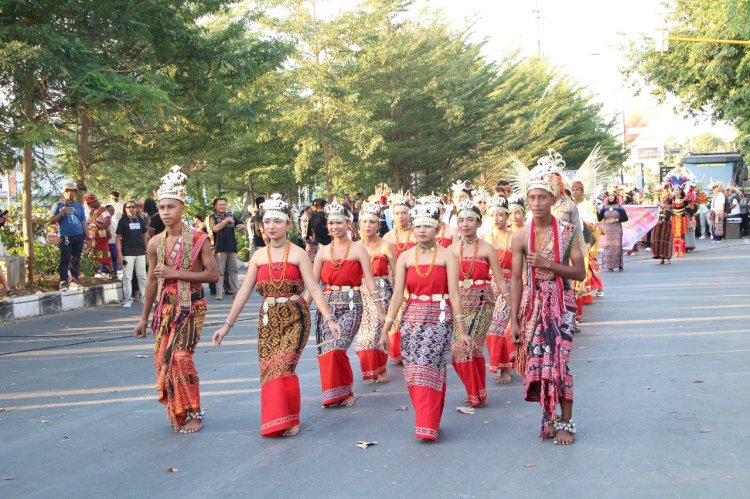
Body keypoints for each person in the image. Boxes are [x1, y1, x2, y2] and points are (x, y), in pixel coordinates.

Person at [213, 195, 343, 437]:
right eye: (268, 222)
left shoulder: (298, 254)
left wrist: (329, 319)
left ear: (288, 225)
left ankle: (290, 418)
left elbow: (314, 288)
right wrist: (226, 325)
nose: (272, 226)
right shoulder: (259, 256)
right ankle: (276, 419)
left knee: (283, 366)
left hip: (296, 315)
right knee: (269, 369)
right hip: (268, 319)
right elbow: (243, 291)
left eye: (277, 221)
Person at [133, 165, 219, 434]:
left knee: (181, 357)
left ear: (182, 208)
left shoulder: (198, 238)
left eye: (171, 206)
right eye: (162, 207)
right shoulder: (154, 243)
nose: (166, 212)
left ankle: (194, 411)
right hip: (164, 309)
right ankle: (178, 410)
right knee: (162, 360)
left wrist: (175, 273)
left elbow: (213, 275)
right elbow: (150, 281)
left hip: (191, 306)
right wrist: (144, 318)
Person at [509, 154, 586, 446]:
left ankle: (566, 423)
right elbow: (517, 279)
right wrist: (514, 319)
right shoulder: (520, 237)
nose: (537, 202)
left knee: (559, 362)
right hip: (532, 303)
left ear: (554, 198)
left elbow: (579, 272)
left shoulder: (567, 233)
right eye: (532, 197)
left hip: (561, 302)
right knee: (539, 363)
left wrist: (548, 263)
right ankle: (549, 419)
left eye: (543, 197)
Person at [378, 203, 471, 441]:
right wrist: (386, 330)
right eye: (417, 226)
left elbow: (455, 294)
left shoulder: (447, 256)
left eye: (427, 226)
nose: (421, 231)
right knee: (414, 371)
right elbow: (398, 294)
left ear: (438, 229)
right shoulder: (405, 258)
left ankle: (428, 424)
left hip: (439, 317)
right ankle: (427, 420)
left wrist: (462, 331)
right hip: (411, 319)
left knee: (430, 367)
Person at [307, 202, 386, 407]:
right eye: (331, 223)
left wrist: (381, 310)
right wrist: (300, 308)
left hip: (351, 304)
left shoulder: (358, 251)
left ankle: (344, 390)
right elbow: (313, 286)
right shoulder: (323, 252)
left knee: (338, 346)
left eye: (339, 222)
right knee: (327, 351)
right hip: (327, 306)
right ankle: (335, 393)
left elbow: (369, 281)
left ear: (348, 223)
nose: (334, 227)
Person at [450, 198, 510, 407]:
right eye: (461, 220)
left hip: (483, 303)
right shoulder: (450, 250)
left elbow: (500, 279)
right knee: (458, 350)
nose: (465, 224)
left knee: (471, 347)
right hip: (457, 304)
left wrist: (513, 304)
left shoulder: (487, 248)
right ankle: (477, 390)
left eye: (470, 220)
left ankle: (476, 393)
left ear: (478, 223)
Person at [354, 201, 396, 383]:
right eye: (364, 222)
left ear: (378, 224)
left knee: (378, 330)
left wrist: (398, 297)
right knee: (363, 335)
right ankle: (371, 368)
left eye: (372, 222)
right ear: (358, 225)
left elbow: (396, 273)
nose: (368, 226)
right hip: (359, 292)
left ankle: (381, 369)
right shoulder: (354, 246)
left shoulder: (386, 246)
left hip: (382, 291)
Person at [483, 196, 515, 383]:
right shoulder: (484, 239)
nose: (496, 218)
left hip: (508, 286)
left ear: (506, 216)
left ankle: (506, 367)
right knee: (490, 329)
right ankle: (505, 364)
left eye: (500, 214)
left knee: (499, 328)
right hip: (487, 288)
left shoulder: (515, 238)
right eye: (493, 214)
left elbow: (522, 267)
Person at [382, 191, 415, 364]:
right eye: (397, 213)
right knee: (395, 314)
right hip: (394, 281)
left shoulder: (418, 234)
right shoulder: (387, 237)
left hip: (415, 278)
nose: (401, 216)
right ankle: (397, 352)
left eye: (404, 212)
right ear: (392, 215)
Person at [48, 183, 88, 291]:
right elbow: (51, 220)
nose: (70, 193)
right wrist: (61, 213)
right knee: (65, 258)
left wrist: (88, 236)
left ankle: (74, 280)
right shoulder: (58, 205)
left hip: (78, 236)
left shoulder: (78, 206)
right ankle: (64, 281)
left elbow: (83, 221)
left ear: (75, 192)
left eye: (72, 190)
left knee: (75, 259)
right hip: (65, 236)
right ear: (64, 192)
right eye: (67, 191)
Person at [209, 197, 245, 300]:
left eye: (224, 204)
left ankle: (235, 292)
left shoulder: (231, 215)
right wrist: (226, 221)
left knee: (233, 270)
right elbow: (215, 229)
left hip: (232, 246)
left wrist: (241, 227)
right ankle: (219, 292)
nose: (222, 206)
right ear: (215, 206)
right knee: (220, 272)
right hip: (220, 247)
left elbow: (241, 225)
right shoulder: (213, 217)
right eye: (220, 205)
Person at [116, 200, 148, 308]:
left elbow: (144, 235)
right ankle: (128, 299)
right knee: (127, 277)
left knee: (142, 276)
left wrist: (146, 249)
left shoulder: (140, 219)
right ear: (125, 209)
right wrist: (119, 253)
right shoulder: (122, 221)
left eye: (133, 207)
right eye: (129, 207)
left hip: (140, 252)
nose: (131, 208)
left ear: (136, 208)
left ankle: (144, 299)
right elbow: (118, 237)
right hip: (127, 252)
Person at [86, 195, 115, 279]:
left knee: (105, 253)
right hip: (94, 236)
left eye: (90, 203)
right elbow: (88, 221)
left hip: (102, 236)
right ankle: (91, 271)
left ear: (95, 201)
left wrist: (98, 225)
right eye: (87, 204)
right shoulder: (91, 211)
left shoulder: (103, 211)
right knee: (91, 253)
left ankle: (112, 272)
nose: (89, 205)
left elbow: (108, 222)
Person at [597, 192, 628, 272]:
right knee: (608, 246)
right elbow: (600, 219)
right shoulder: (604, 207)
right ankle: (609, 265)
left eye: (612, 196)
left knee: (617, 246)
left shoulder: (619, 207)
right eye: (609, 196)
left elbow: (625, 218)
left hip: (616, 229)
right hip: (607, 229)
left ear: (615, 197)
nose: (611, 197)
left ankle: (619, 265)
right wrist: (596, 211)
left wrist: (616, 219)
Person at [651, 195, 674, 264]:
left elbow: (670, 214)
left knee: (666, 241)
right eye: (661, 197)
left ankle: (667, 258)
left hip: (666, 225)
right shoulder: (656, 206)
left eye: (665, 197)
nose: (663, 199)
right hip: (657, 225)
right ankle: (661, 258)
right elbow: (652, 214)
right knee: (658, 241)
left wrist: (663, 220)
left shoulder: (669, 206)